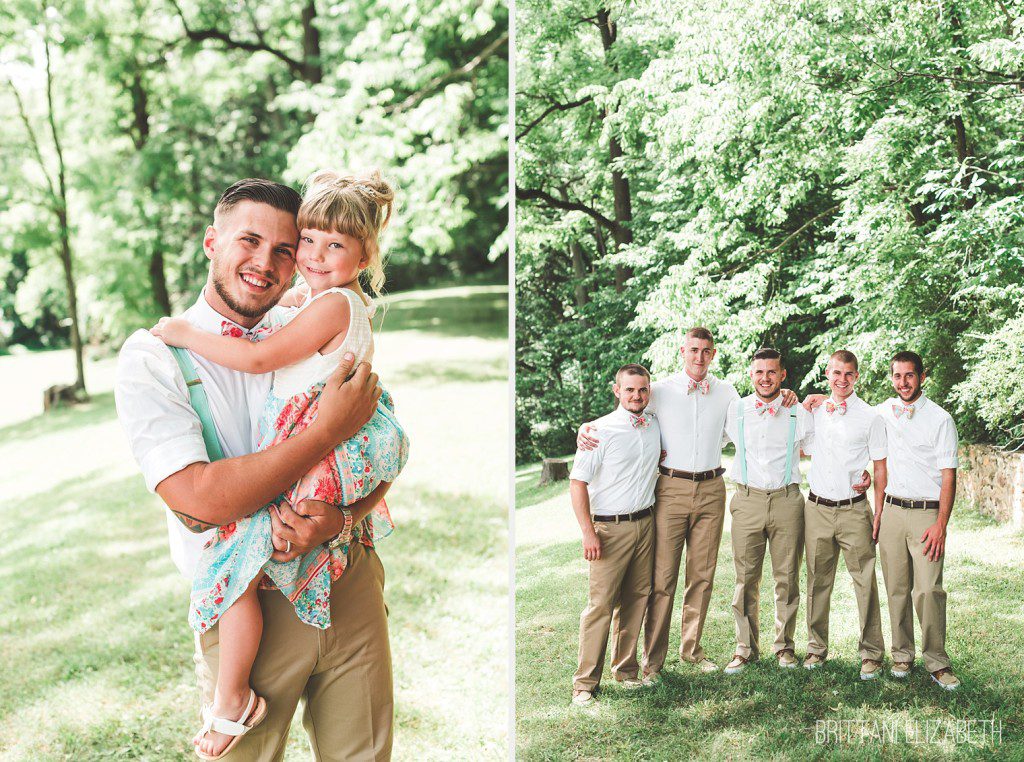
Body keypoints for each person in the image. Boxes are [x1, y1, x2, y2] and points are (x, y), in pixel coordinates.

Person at [116, 178, 395, 761]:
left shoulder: (308, 321)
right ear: (211, 242)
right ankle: (233, 699)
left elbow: (380, 442)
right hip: (249, 607)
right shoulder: (156, 355)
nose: (265, 262)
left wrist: (342, 517)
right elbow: (202, 499)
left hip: (346, 578)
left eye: (286, 249)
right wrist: (324, 431)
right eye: (248, 241)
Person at [576, 330, 802, 678]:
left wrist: (790, 394)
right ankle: (653, 660)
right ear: (683, 352)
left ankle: (692, 649)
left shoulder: (727, 393)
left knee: (702, 576)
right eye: (693, 350)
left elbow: (758, 408)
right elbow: (626, 409)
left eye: (706, 351)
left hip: (712, 488)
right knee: (662, 578)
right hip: (670, 488)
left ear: (713, 354)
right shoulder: (659, 391)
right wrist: (587, 427)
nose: (699, 357)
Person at [569, 364, 660, 707]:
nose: (637, 396)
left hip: (645, 524)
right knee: (600, 605)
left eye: (642, 390)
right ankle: (584, 683)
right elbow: (577, 483)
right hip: (609, 528)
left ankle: (625, 670)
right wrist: (588, 533)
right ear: (616, 390)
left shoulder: (654, 423)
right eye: (630, 390)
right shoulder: (598, 431)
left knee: (637, 598)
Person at [723, 348, 812, 674]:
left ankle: (784, 647)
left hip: (788, 501)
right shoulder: (737, 409)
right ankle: (745, 648)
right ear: (751, 375)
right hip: (747, 500)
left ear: (783, 375)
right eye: (759, 372)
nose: (765, 378)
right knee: (745, 578)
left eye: (771, 372)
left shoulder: (798, 411)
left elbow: (823, 444)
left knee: (787, 577)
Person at [874, 351, 960, 690]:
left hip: (927, 513)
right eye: (898, 376)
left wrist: (941, 524)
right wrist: (816, 399)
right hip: (892, 510)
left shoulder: (940, 419)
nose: (903, 382)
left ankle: (937, 661)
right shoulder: (881, 412)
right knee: (896, 588)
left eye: (910, 376)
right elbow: (848, 407)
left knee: (927, 590)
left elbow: (949, 478)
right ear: (892, 378)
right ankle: (902, 655)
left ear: (921, 377)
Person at [801, 350, 887, 680]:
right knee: (817, 580)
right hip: (818, 508)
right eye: (836, 373)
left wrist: (877, 511)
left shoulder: (870, 417)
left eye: (848, 374)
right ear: (827, 373)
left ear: (857, 378)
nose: (842, 379)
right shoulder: (816, 410)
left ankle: (871, 653)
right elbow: (802, 445)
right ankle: (816, 648)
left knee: (864, 580)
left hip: (854, 510)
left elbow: (879, 467)